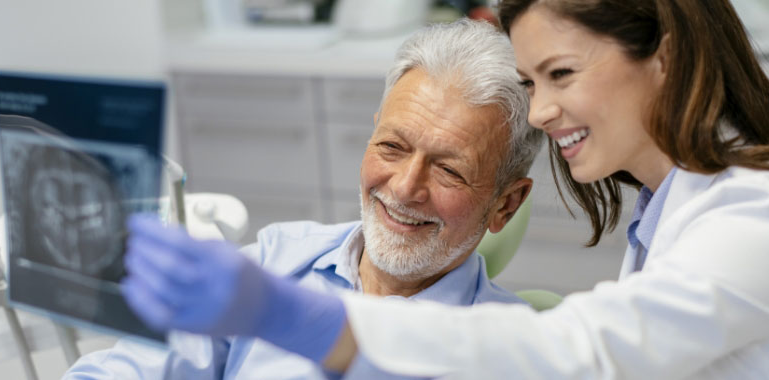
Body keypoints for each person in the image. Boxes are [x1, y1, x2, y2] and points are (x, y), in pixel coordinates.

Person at [121, 1, 769, 378]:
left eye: (562, 74)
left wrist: (301, 319)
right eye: (534, 83)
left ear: (665, 56)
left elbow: (582, 354)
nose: (540, 111)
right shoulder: (665, 221)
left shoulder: (762, 219)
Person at [64, 19, 543, 379]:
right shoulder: (282, 258)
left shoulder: (512, 350)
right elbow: (133, 366)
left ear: (506, 204)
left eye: (448, 171)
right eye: (391, 147)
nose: (403, 187)